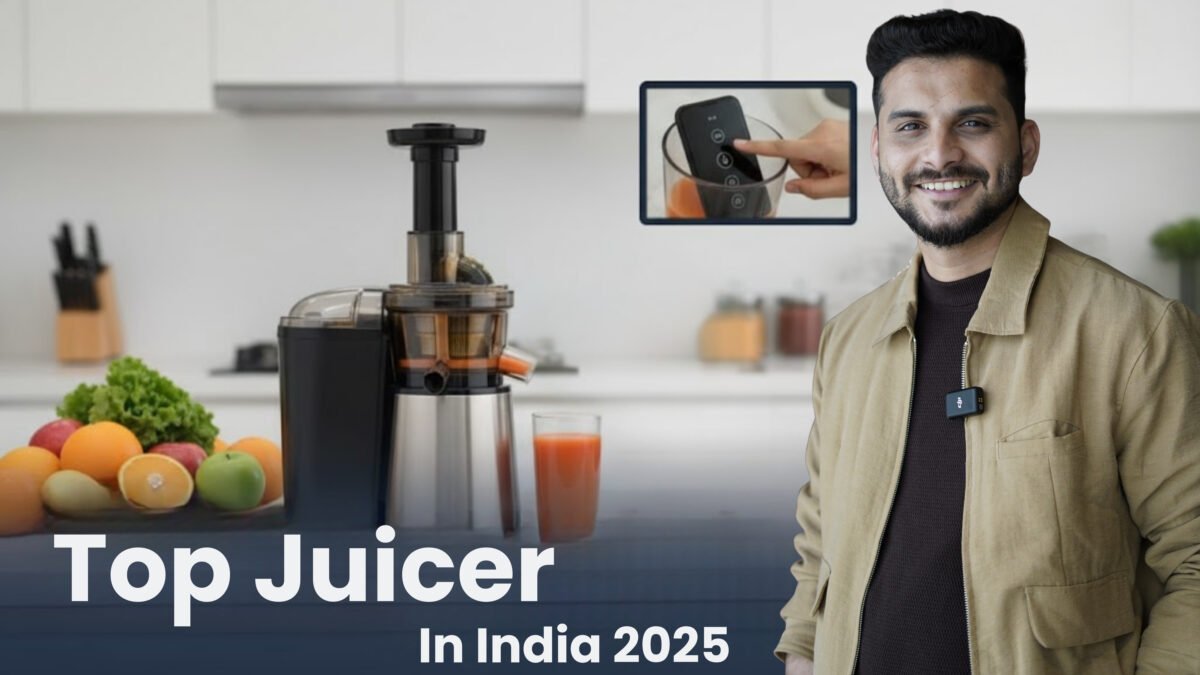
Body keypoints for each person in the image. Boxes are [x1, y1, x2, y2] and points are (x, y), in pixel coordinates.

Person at [769, 10, 1200, 675]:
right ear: (878, 148)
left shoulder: (1137, 331)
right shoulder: (846, 339)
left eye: (972, 123)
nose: (939, 154)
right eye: (910, 126)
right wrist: (802, 654)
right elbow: (820, 539)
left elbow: (1194, 561)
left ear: (1025, 145)